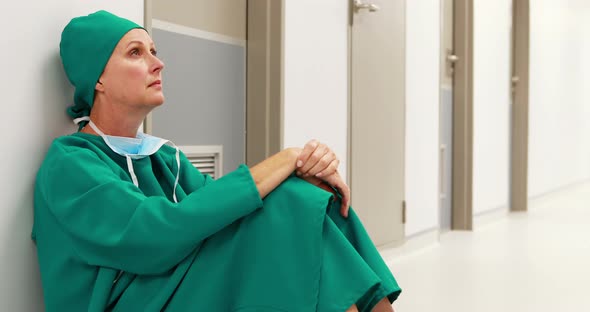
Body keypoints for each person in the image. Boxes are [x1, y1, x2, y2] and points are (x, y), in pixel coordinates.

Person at [32, 10, 401, 312]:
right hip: (132, 301)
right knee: (291, 205)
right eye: (135, 53)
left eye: (154, 50)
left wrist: (306, 171)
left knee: (308, 201)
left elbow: (221, 208)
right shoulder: (70, 162)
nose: (158, 63)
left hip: (170, 285)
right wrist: (287, 159)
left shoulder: (162, 156)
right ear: (96, 78)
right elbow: (156, 234)